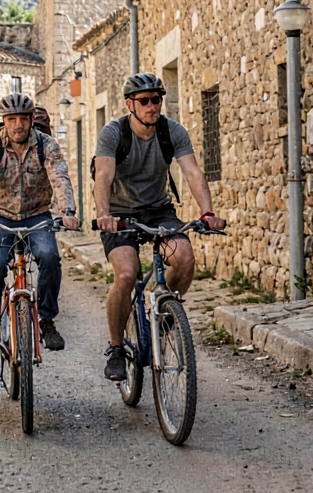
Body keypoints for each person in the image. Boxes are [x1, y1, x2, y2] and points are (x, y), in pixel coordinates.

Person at [94, 73, 225, 382]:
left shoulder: (172, 131)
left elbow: (192, 171)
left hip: (158, 210)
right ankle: (116, 349)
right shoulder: (113, 133)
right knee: (126, 275)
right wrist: (104, 214)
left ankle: (163, 314)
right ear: (130, 104)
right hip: (119, 213)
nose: (153, 106)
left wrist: (207, 212)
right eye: (145, 101)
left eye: (157, 99)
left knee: (185, 258)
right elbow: (103, 175)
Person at [0, 94, 78, 355]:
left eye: (23, 119)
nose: (18, 125)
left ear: (30, 120)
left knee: (49, 257)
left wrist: (68, 210)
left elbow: (59, 177)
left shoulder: (46, 145)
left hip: (37, 214)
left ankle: (47, 321)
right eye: (11, 119)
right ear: (4, 121)